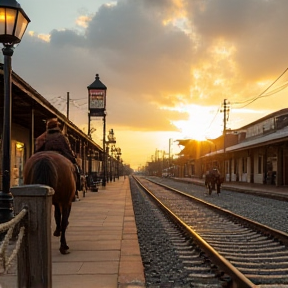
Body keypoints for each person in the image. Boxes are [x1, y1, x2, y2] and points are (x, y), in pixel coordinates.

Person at [35, 118, 81, 200]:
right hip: (60, 153)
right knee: (76, 169)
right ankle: (76, 190)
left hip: (45, 153)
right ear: (57, 126)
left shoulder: (44, 136)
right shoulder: (62, 137)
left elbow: (39, 148)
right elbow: (67, 149)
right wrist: (73, 160)